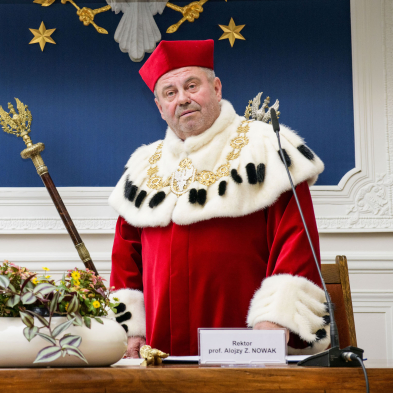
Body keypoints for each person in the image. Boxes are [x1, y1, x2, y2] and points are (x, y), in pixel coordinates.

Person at [109, 40, 330, 358]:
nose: (182, 99)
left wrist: (276, 319)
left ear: (216, 88)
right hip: (159, 352)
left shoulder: (267, 147)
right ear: (159, 107)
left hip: (246, 349)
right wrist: (131, 330)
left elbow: (297, 240)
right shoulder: (142, 168)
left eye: (192, 86)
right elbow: (125, 259)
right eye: (170, 93)